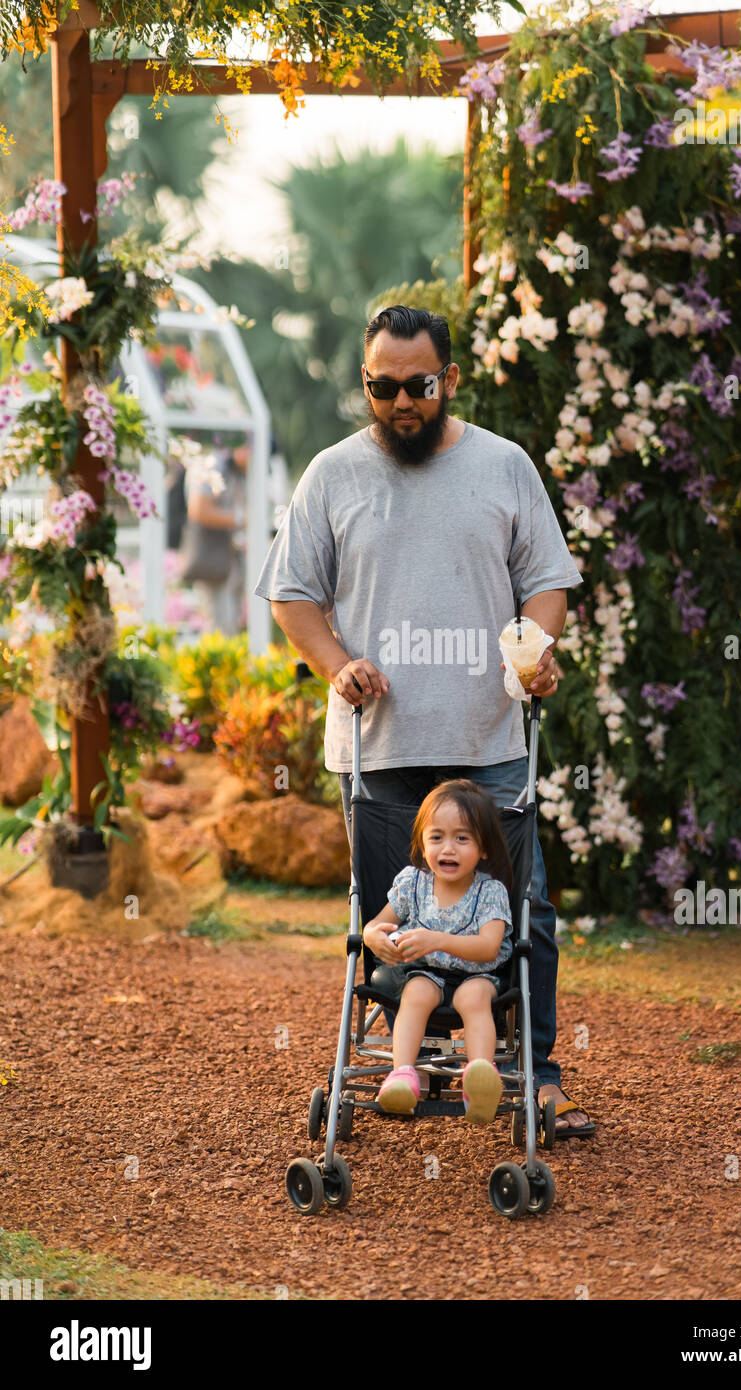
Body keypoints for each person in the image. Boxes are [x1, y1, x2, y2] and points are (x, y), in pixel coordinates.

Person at [254, 304, 594, 1137]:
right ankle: (398, 1058)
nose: (401, 402)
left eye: (417, 385)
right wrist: (338, 665)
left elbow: (546, 579)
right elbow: (291, 595)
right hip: (380, 748)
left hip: (487, 745)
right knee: (391, 911)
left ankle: (538, 1076)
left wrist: (537, 649)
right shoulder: (332, 475)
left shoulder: (504, 466)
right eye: (382, 387)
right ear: (364, 384)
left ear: (449, 379)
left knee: (526, 912)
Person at [363, 779, 513, 1122]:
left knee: (474, 999)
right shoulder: (411, 883)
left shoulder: (490, 891)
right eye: (437, 837)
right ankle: (403, 1075)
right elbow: (376, 923)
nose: (448, 848)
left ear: (484, 848)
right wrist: (373, 937)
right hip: (425, 972)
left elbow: (489, 947)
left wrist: (437, 939)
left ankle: (479, 1081)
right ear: (421, 842)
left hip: (478, 973)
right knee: (415, 993)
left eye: (462, 838)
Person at [184, 438, 248, 635]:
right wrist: (242, 519)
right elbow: (199, 509)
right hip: (212, 556)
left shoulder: (239, 472)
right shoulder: (213, 465)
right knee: (220, 621)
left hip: (231, 557)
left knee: (232, 619)